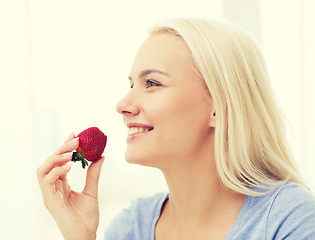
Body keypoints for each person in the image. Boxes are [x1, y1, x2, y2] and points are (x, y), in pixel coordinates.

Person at [37, 18, 315, 240]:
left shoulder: (288, 218)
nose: (122, 104)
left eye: (153, 83)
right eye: (132, 84)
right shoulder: (132, 226)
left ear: (219, 107)